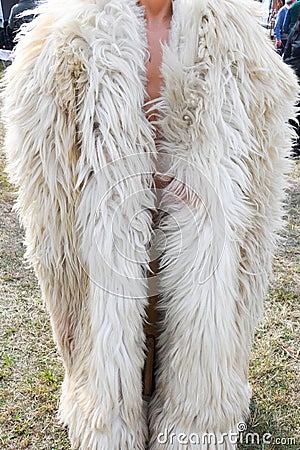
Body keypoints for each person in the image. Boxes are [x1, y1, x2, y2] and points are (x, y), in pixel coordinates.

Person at [2, 0, 298, 449]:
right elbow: (48, 183)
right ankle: (110, 417)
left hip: (200, 244)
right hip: (111, 247)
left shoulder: (233, 36)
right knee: (114, 365)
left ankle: (195, 419)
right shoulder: (70, 37)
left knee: (194, 372)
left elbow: (261, 166)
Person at [283, 13, 300, 157]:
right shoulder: (295, 31)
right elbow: (287, 53)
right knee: (294, 112)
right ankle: (294, 146)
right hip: (296, 76)